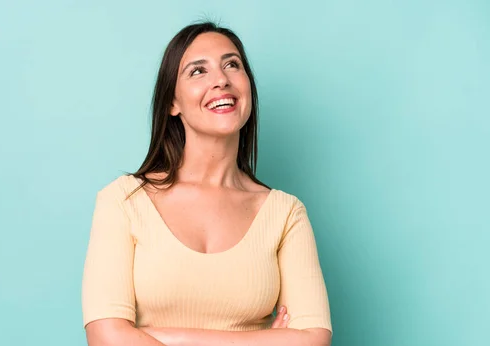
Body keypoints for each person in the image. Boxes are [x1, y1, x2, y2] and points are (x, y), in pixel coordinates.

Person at [81, 21, 332, 346]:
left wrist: (158, 336)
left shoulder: (285, 214)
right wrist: (264, 340)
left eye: (232, 64)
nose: (221, 80)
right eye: (198, 71)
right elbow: (106, 339)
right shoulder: (123, 201)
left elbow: (312, 340)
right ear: (173, 102)